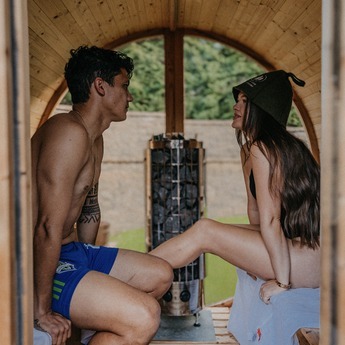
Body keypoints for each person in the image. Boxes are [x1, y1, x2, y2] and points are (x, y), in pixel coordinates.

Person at [32, 46, 173, 345]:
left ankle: (93, 334)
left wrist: (87, 271)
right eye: (124, 86)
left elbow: (88, 208)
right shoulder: (67, 133)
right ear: (100, 86)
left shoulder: (94, 138)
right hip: (37, 259)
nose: (130, 96)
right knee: (145, 316)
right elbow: (46, 226)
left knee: (160, 274)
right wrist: (41, 311)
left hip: (70, 251)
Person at [150, 70, 320, 305]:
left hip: (311, 256)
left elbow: (272, 220)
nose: (236, 105)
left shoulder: (264, 148)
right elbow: (257, 212)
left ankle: (130, 272)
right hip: (292, 248)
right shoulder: (250, 150)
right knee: (204, 228)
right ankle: (133, 270)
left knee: (205, 231)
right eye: (237, 99)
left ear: (263, 110)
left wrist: (281, 283)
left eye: (245, 101)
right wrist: (252, 258)